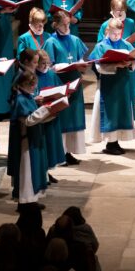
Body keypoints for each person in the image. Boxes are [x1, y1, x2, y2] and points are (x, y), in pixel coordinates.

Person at [8, 70, 60, 205]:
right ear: (24, 84)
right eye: (32, 85)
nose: (35, 88)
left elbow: (37, 117)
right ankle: (26, 200)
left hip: (35, 137)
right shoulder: (20, 100)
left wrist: (51, 113)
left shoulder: (28, 96)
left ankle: (33, 198)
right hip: (26, 141)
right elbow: (28, 120)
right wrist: (46, 110)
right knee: (27, 171)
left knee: (36, 169)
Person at [45, 10, 89, 163]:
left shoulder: (75, 39)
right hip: (60, 84)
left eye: (68, 24)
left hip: (74, 83)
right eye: (63, 25)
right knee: (62, 118)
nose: (66, 27)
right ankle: (59, 152)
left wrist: (82, 66)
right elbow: (48, 66)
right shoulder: (51, 42)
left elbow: (80, 60)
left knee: (73, 117)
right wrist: (57, 67)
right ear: (55, 24)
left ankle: (69, 151)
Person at [88, 18, 135, 155]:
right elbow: (98, 67)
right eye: (113, 33)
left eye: (119, 34)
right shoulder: (101, 46)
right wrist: (115, 65)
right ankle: (110, 143)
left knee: (121, 111)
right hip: (108, 86)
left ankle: (116, 141)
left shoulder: (126, 44)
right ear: (108, 31)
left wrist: (130, 64)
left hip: (122, 85)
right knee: (110, 113)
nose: (116, 36)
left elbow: (134, 62)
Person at [35, 49, 67, 172]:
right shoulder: (32, 75)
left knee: (52, 142)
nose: (45, 66)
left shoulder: (51, 74)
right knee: (44, 143)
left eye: (47, 63)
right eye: (42, 64)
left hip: (53, 113)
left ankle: (49, 169)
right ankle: (43, 171)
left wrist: (64, 94)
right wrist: (36, 99)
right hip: (41, 115)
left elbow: (60, 88)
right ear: (36, 63)